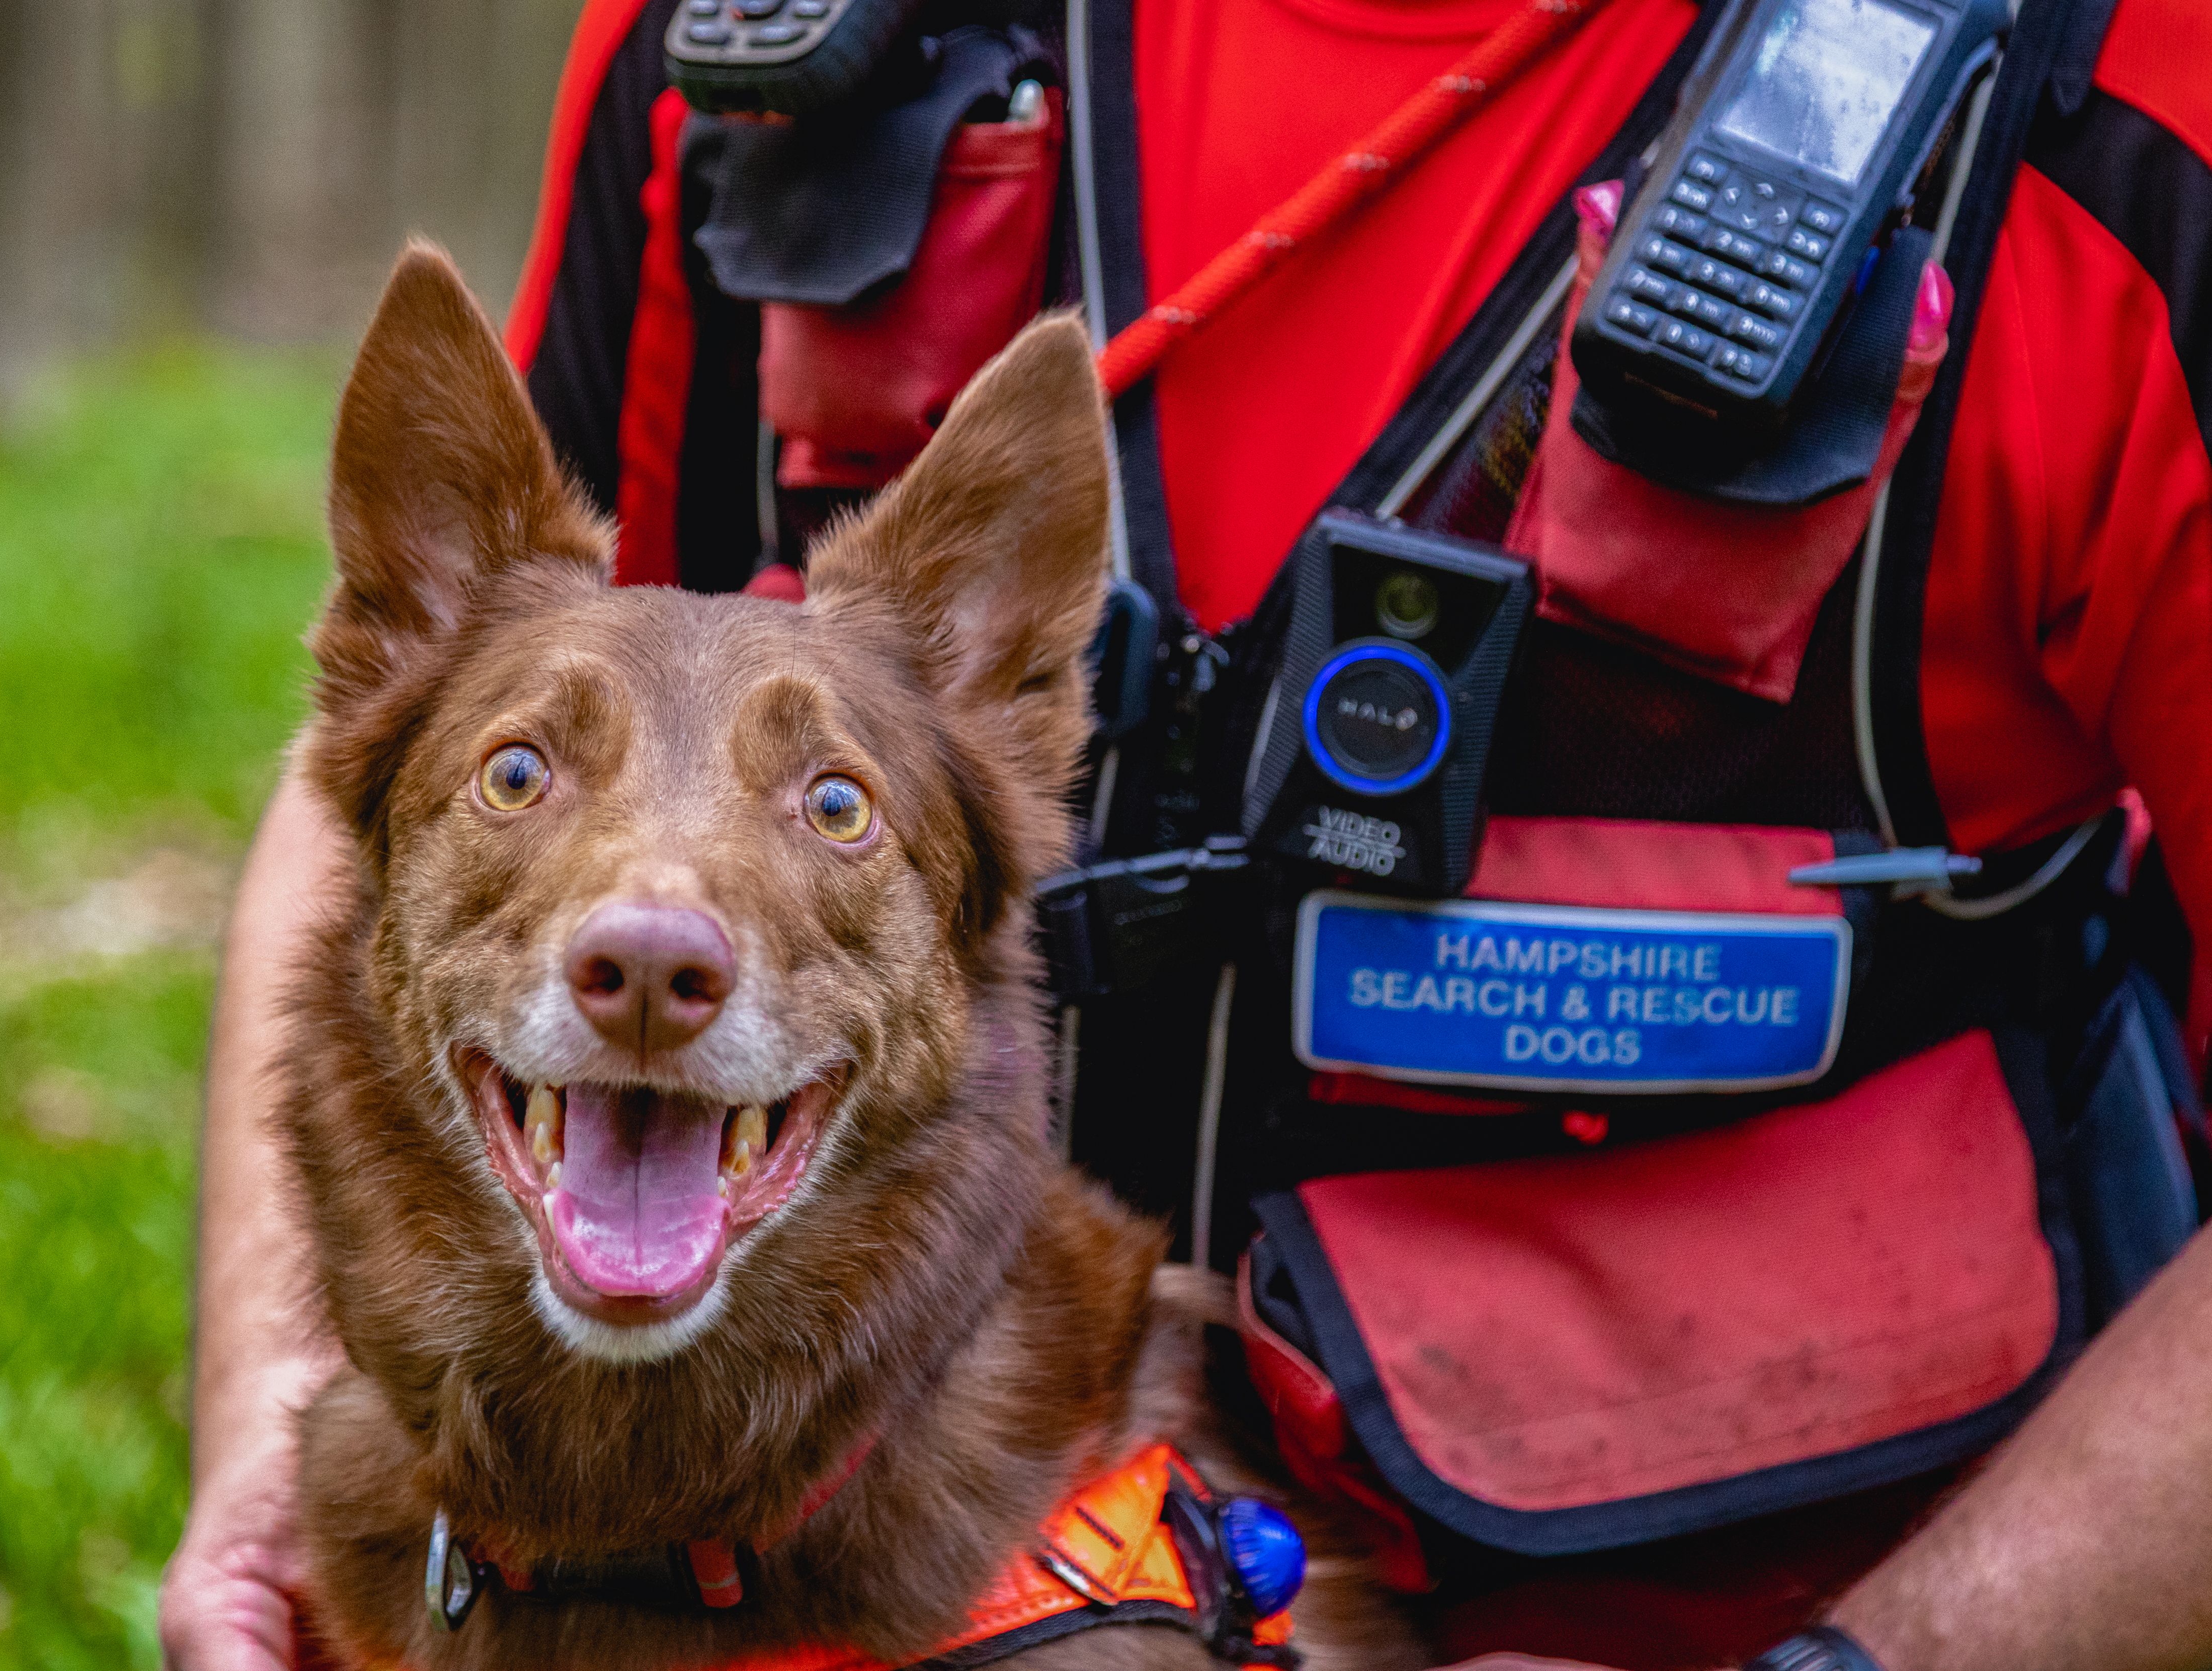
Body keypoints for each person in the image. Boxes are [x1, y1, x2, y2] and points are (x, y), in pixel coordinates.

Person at [161, 0, 2212, 1667]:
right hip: (768, 1549)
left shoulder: (2116, 124)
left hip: (1787, 1595)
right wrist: (270, 1405)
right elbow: (424, 763)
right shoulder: (752, 46)